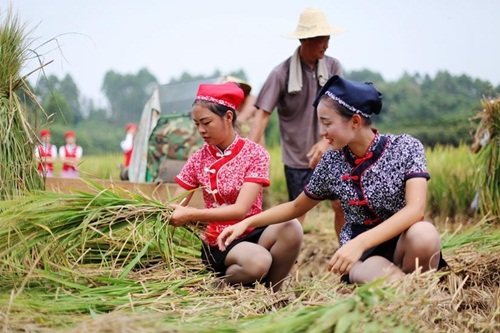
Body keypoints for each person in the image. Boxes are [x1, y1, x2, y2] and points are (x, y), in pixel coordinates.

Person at [218, 75, 447, 285]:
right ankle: (403, 293)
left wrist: (360, 242)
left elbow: (415, 209)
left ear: (355, 122)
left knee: (424, 233)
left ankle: (420, 296)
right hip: (363, 256)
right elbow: (296, 206)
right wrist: (247, 223)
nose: (322, 132)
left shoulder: (406, 147)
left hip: (398, 241)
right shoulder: (332, 162)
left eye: (327, 123)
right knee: (392, 283)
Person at [169, 81, 303, 292]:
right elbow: (175, 205)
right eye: (197, 124)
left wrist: (192, 214)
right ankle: (221, 285)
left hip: (252, 229)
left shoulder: (255, 154)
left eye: (206, 122)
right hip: (219, 241)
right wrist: (172, 212)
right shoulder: (197, 159)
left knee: (292, 227)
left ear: (228, 117)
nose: (201, 130)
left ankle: (269, 294)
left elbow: (241, 210)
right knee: (258, 262)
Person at [248, 7, 345, 233]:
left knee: (341, 205)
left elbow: (342, 110)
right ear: (304, 39)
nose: (326, 44)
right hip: (296, 157)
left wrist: (326, 143)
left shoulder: (333, 67)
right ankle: (292, 262)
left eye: (328, 38)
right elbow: (262, 114)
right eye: (321, 38)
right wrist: (248, 153)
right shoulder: (281, 73)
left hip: (331, 152)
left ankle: (346, 257)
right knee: (296, 213)